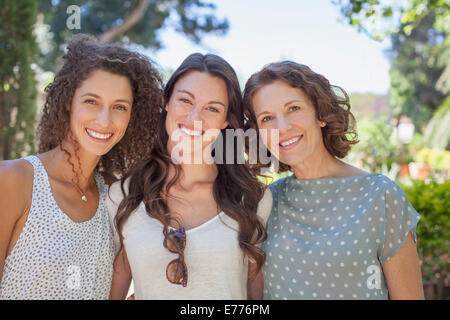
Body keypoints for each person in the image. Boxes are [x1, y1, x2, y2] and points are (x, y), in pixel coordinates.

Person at [0, 34, 164, 299]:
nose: (104, 119)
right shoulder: (14, 180)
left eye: (119, 107)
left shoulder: (115, 196)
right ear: (68, 102)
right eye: (91, 101)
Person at [242, 61, 424, 300]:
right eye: (267, 118)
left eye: (293, 108)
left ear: (320, 114)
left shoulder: (380, 195)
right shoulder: (266, 202)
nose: (282, 127)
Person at [107, 53, 272, 300]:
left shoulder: (252, 198)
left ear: (226, 120)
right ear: (167, 102)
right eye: (185, 101)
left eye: (212, 108)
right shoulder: (123, 195)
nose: (195, 118)